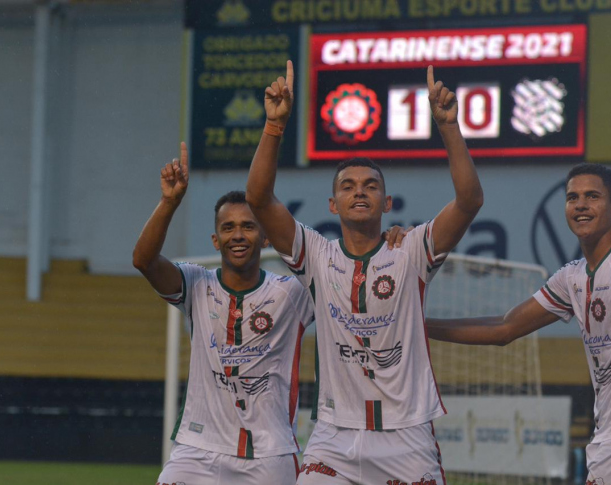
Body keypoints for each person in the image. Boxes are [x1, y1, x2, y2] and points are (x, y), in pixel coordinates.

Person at [246, 61, 483, 485]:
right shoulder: (316, 255)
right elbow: (259, 199)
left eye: (371, 185)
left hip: (407, 435)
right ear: (333, 204)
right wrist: (274, 126)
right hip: (336, 436)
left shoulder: (411, 250)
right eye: (348, 185)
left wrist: (449, 127)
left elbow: (468, 201)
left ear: (387, 203)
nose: (359, 190)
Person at [133, 144, 410, 485]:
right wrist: (169, 202)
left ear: (266, 237)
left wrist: (388, 240)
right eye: (228, 227)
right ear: (216, 240)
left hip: (270, 456)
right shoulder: (195, 284)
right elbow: (144, 261)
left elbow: (354, 282)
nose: (238, 235)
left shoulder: (293, 293)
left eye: (248, 227)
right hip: (197, 451)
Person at [426, 163, 611, 485]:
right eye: (572, 197)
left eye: (592, 196)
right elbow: (504, 329)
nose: (580, 205)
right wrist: (420, 326)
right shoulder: (572, 277)